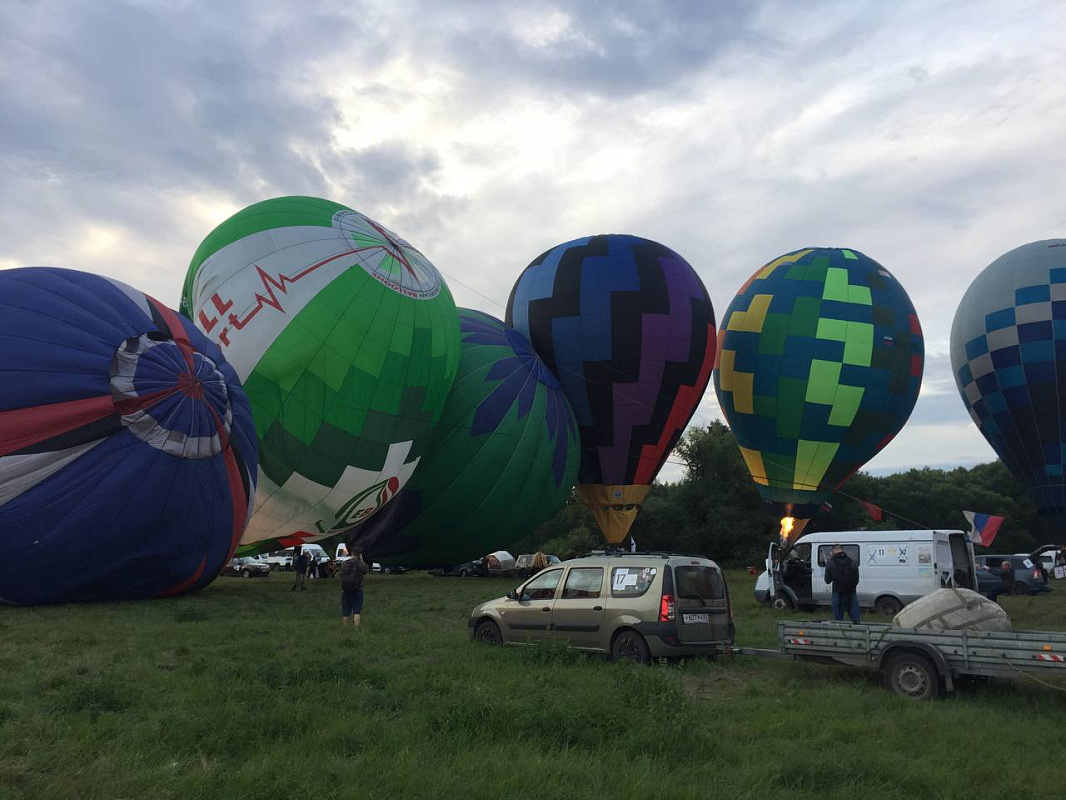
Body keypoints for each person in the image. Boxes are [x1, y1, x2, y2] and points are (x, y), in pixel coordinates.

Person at [824, 544, 860, 623]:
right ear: (842, 550)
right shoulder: (852, 561)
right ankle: (858, 631)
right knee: (855, 616)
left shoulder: (831, 562)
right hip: (851, 592)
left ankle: (839, 632)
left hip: (837, 592)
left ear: (833, 551)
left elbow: (827, 580)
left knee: (838, 618)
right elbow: (857, 578)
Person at [341, 547, 370, 628]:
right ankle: (356, 627)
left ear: (352, 553)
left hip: (346, 588)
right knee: (357, 610)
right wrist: (362, 560)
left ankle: (345, 627)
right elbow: (365, 571)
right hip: (357, 588)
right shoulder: (360, 563)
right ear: (359, 554)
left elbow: (342, 572)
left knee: (346, 611)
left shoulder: (345, 563)